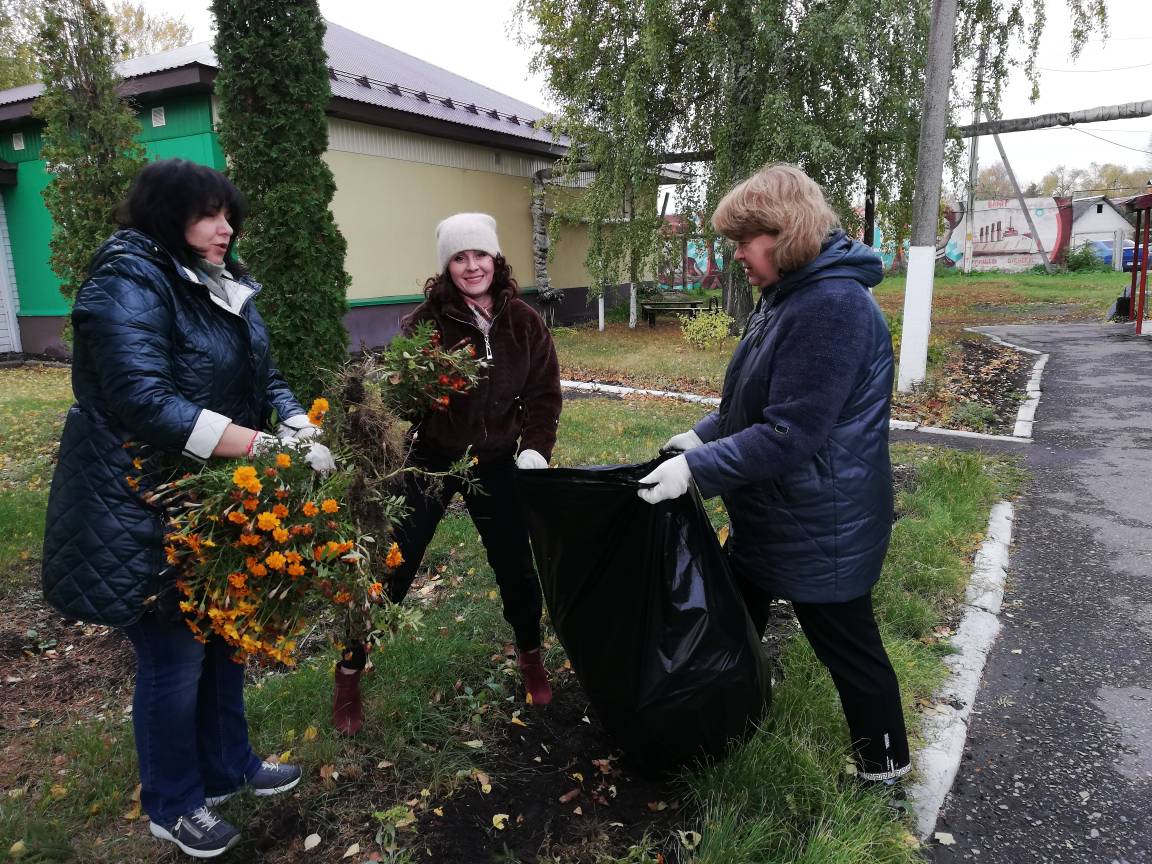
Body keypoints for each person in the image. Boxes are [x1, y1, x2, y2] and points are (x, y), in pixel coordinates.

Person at [41, 159, 333, 858]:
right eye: (207, 215)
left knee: (223, 630)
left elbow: (262, 372)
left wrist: (298, 424)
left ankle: (228, 767)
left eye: (228, 215)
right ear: (166, 217)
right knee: (173, 656)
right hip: (138, 497)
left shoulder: (218, 281)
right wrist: (261, 445)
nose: (224, 228)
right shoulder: (128, 281)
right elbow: (144, 401)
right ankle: (172, 804)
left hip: (204, 494)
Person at [637, 163, 910, 785]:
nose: (735, 254)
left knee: (850, 651)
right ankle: (724, 728)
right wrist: (702, 435)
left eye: (744, 240)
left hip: (823, 523)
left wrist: (696, 470)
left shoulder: (832, 307)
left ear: (786, 234)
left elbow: (790, 433)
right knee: (731, 623)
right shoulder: (788, 296)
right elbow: (755, 403)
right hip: (773, 513)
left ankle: (885, 774)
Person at [332, 213, 562, 732]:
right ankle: (349, 671)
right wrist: (407, 394)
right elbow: (404, 399)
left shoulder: (524, 322)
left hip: (497, 461)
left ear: (495, 259)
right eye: (460, 257)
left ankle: (530, 656)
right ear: (447, 266)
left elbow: (545, 393)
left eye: (480, 254)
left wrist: (535, 449)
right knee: (392, 562)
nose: (472, 266)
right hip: (432, 460)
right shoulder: (424, 323)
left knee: (516, 565)